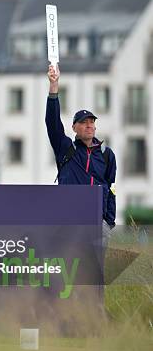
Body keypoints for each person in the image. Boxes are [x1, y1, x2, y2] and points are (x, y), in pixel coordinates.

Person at [46, 64, 117, 249]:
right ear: (74, 128)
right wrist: (54, 87)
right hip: (69, 223)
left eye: (92, 122)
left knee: (94, 275)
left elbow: (112, 189)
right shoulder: (65, 149)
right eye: (83, 122)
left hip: (96, 225)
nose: (89, 126)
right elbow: (52, 123)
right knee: (69, 273)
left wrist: (108, 222)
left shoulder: (107, 155)